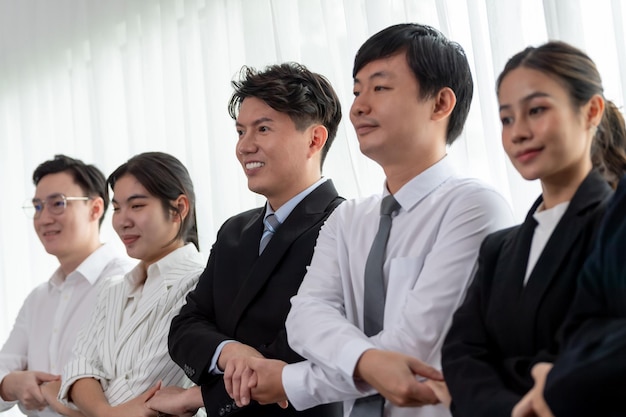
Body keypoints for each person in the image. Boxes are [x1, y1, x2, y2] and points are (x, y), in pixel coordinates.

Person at [235, 23, 514, 417]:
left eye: (379, 88)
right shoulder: (349, 217)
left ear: (440, 104)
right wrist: (367, 361)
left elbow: (412, 351)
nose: (358, 107)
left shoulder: (474, 207)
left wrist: (291, 381)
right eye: (356, 91)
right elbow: (305, 318)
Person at [147, 62, 344, 417]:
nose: (244, 146)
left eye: (263, 129)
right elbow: (185, 326)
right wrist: (228, 351)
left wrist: (199, 397)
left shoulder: (344, 225)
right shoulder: (234, 231)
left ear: (314, 139)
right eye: (240, 131)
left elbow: (306, 351)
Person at [441, 40, 626, 417]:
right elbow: (461, 353)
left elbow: (592, 354)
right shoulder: (498, 247)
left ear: (591, 111)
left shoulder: (614, 224)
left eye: (536, 110)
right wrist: (511, 409)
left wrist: (516, 383)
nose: (518, 132)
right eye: (507, 118)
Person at [56, 152, 205, 417]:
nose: (122, 221)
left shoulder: (197, 283)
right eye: (116, 208)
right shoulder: (112, 289)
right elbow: (78, 367)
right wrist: (106, 412)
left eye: (136, 206)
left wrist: (78, 401)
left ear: (179, 208)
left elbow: (144, 388)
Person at [0, 155, 133, 417]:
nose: (44, 218)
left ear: (95, 209)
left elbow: (128, 390)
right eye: (37, 207)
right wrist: (9, 385)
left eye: (57, 204)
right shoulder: (38, 299)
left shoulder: (127, 283)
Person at [513, 175, 626, 417]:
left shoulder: (603, 212)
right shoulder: (621, 204)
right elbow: (580, 324)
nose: (518, 136)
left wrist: (557, 378)